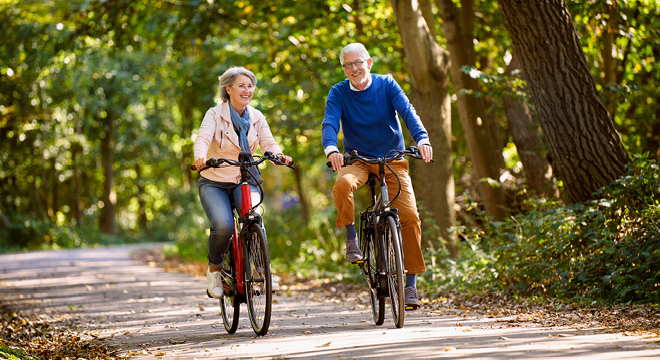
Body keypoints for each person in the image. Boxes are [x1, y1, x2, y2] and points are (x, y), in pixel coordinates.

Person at [322, 43, 433, 308]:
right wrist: (331, 149)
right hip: (358, 160)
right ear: (343, 69)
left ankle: (410, 286)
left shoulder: (387, 85)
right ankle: (351, 239)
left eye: (358, 63)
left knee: (410, 217)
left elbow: (408, 112)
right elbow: (330, 122)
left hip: (392, 159)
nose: (354, 69)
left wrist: (422, 139)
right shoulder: (338, 92)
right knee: (342, 184)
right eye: (348, 65)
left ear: (369, 63)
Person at [194, 66, 292, 298]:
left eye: (250, 86)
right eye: (241, 85)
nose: (247, 90)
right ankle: (215, 271)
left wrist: (278, 156)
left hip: (246, 178)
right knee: (224, 225)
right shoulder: (214, 114)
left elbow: (269, 143)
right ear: (228, 89)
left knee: (252, 217)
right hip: (214, 181)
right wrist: (200, 156)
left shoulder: (257, 116)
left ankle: (262, 270)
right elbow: (203, 138)